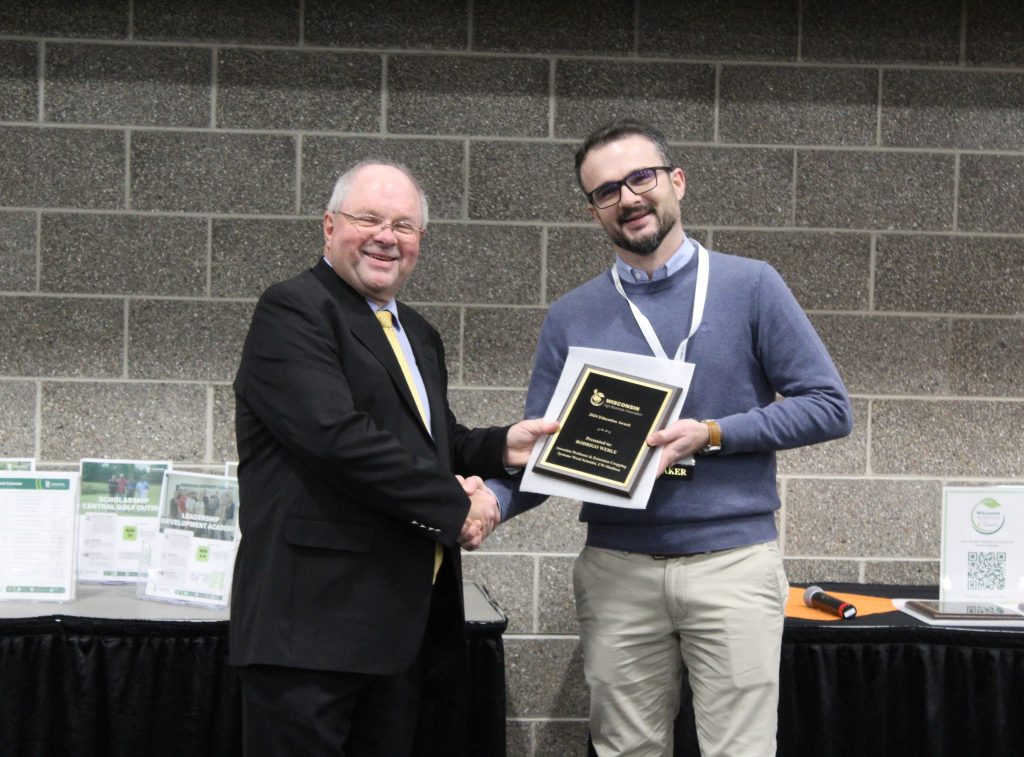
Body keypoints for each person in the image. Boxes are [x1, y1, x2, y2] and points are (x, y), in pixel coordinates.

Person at [489, 119, 853, 757]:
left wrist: (714, 433)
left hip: (733, 566)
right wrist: (490, 501)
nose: (627, 198)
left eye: (641, 178)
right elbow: (542, 455)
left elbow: (828, 407)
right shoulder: (570, 315)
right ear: (595, 210)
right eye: (606, 191)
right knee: (625, 750)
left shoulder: (751, 286)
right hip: (618, 572)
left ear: (675, 182)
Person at [229, 160, 555, 757]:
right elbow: (337, 437)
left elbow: (431, 440)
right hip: (313, 630)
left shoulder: (417, 333)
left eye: (404, 225)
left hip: (402, 629)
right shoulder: (293, 310)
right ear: (329, 227)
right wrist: (456, 507)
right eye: (369, 219)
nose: (386, 236)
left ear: (420, 243)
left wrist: (503, 445)